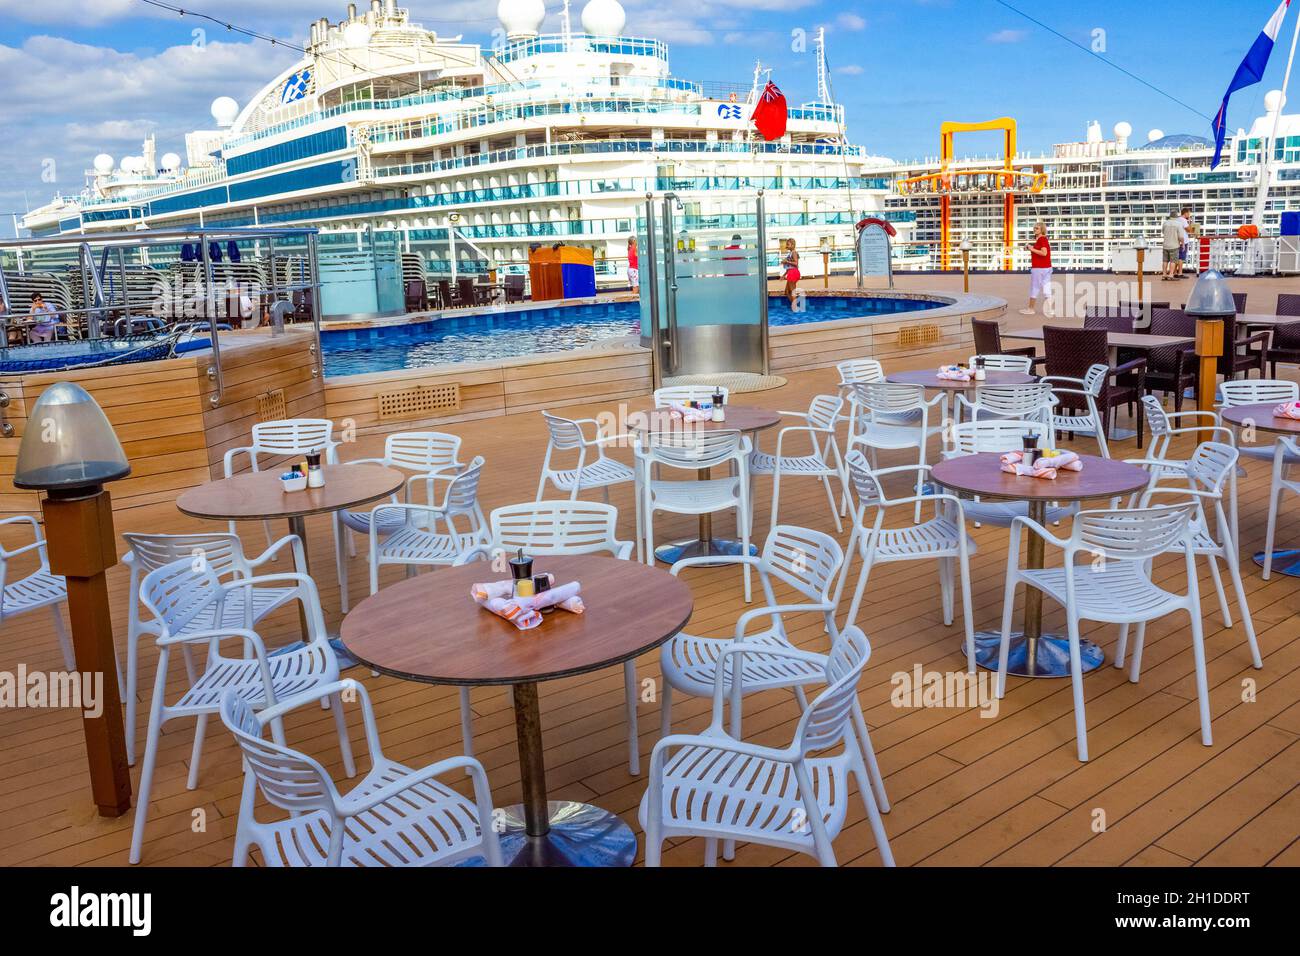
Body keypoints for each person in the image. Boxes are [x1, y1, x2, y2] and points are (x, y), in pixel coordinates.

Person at [1019, 222, 1053, 315]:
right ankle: (1049, 310)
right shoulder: (1041, 240)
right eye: (1034, 228)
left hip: (1039, 268)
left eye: (1037, 228)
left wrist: (1031, 249)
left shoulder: (1042, 239)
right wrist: (1031, 247)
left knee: (1035, 287)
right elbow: (1040, 251)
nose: (1034, 229)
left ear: (1042, 229)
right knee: (1046, 288)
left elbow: (1044, 253)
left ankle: (1030, 309)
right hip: (1046, 267)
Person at [1161, 210, 1181, 281]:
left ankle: (1164, 274)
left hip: (1165, 245)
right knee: (1173, 261)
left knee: (1165, 260)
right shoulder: (1178, 224)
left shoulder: (1165, 223)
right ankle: (1171, 275)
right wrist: (1183, 243)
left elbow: (1163, 232)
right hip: (1174, 245)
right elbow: (1180, 236)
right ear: (1176, 216)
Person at [781, 238, 800, 308]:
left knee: (792, 291)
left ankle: (794, 307)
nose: (787, 246)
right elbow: (789, 267)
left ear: (792, 245)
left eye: (788, 244)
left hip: (793, 272)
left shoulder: (794, 252)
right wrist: (783, 275)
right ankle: (794, 305)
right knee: (787, 292)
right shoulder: (790, 253)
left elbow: (796, 263)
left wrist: (786, 261)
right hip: (791, 272)